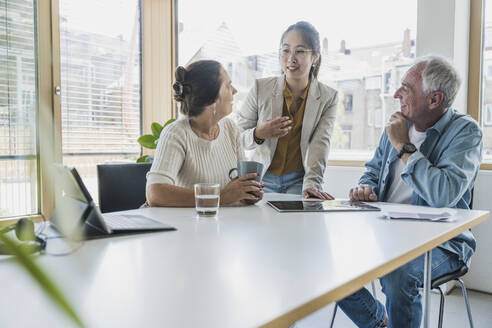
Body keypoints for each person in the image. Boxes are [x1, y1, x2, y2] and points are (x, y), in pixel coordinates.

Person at [337, 56, 483, 327]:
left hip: (441, 242)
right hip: (386, 231)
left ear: (434, 99)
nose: (396, 94)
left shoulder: (465, 132)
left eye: (406, 88)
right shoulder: (395, 126)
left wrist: (405, 147)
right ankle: (379, 322)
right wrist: (366, 187)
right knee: (330, 259)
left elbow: (443, 193)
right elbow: (373, 170)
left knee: (398, 273)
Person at [237, 21, 337, 199]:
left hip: (299, 183)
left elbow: (319, 147)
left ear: (315, 57)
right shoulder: (261, 88)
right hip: (260, 180)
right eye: (285, 50)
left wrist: (312, 186)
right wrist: (259, 133)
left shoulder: (328, 98)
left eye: (299, 51)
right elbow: (237, 138)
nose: (291, 58)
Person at [146, 60, 263, 207]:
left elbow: (237, 186)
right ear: (212, 101)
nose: (234, 90)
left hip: (223, 224)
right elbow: (155, 194)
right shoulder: (176, 133)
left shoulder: (230, 128)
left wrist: (247, 193)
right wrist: (221, 196)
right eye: (227, 86)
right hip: (185, 225)